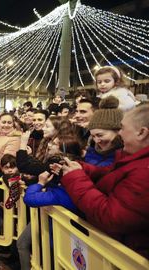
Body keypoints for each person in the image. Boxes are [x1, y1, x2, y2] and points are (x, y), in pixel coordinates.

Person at [60, 103, 149, 259]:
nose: (119, 134)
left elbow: (112, 217)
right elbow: (109, 175)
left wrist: (75, 178)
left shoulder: (144, 171)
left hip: (126, 256)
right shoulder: (133, 159)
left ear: (141, 133)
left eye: (121, 128)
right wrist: (81, 169)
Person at [85, 96, 124, 167]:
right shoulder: (91, 150)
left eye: (100, 135)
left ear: (118, 131)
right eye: (93, 136)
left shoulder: (126, 157)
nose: (96, 141)